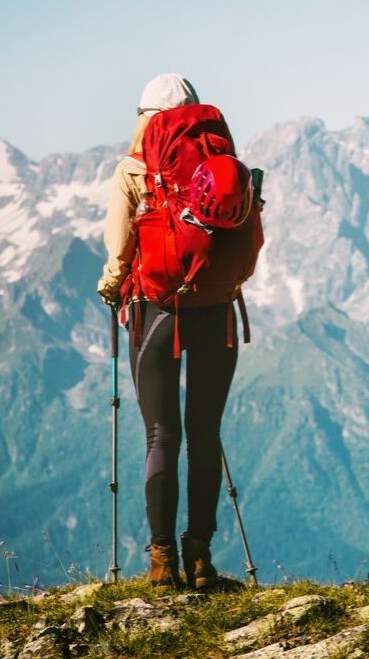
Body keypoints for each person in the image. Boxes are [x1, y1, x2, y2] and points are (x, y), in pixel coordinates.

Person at [97, 73, 245, 589]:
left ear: (145, 119)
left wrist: (111, 285)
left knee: (161, 435)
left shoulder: (133, 169)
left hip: (156, 311)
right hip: (217, 312)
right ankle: (200, 559)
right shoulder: (224, 167)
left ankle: (162, 563)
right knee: (205, 434)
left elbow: (119, 248)